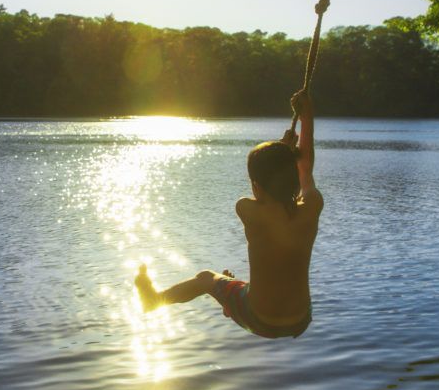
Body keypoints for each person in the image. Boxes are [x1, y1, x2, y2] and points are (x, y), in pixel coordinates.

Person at [134, 89, 322, 339]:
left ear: (255, 185)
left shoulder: (247, 209)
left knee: (207, 279)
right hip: (300, 320)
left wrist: (282, 148)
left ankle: (155, 300)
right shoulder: (311, 207)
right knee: (238, 286)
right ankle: (230, 300)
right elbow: (305, 168)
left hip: (258, 319)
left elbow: (267, 198)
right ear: (293, 179)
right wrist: (307, 117)